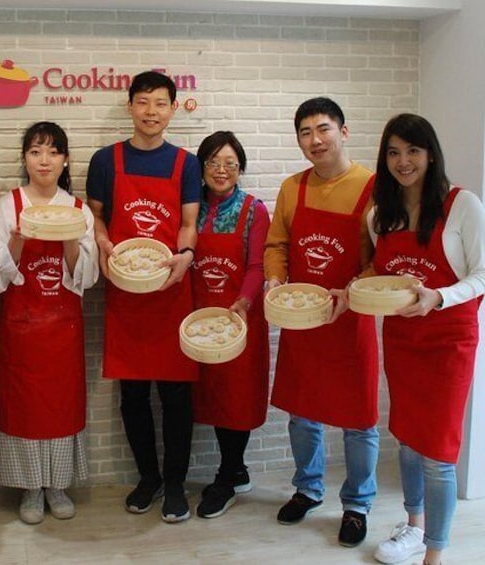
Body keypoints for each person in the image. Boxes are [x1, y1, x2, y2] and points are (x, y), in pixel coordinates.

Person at [366, 114, 485, 565]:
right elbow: (379, 279)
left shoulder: (463, 205)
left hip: (448, 341)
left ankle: (434, 554)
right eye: (393, 152)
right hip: (402, 340)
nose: (403, 161)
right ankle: (413, 527)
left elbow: (482, 274)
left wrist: (439, 296)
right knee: (408, 439)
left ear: (430, 154)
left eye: (412, 150)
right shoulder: (382, 215)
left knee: (438, 451)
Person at [86, 71, 201, 523]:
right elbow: (95, 218)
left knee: (176, 396)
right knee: (132, 395)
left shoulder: (185, 164)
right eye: (143, 102)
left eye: (160, 103)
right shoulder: (105, 160)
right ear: (130, 106)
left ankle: (175, 484)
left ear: (173, 109)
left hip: (172, 290)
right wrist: (102, 243)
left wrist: (186, 254)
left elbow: (188, 222)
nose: (151, 112)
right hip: (126, 292)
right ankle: (148, 477)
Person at [264, 97, 379, 547]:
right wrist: (275, 279)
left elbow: (382, 259)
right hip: (302, 319)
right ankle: (308, 489)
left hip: (352, 319)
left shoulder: (373, 187)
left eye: (324, 129)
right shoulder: (293, 187)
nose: (316, 140)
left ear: (344, 132)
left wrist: (352, 292)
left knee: (359, 420)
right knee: (303, 412)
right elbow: (277, 244)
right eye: (306, 132)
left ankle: (357, 504)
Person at [0, 121, 98, 525]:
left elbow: (86, 277)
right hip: (20, 327)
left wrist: (69, 235)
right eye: (35, 151)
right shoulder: (5, 207)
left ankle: (58, 485)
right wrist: (17, 237)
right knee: (25, 409)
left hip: (63, 330)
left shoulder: (78, 209)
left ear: (65, 159)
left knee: (61, 408)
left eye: (52, 151)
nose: (44, 160)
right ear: (25, 159)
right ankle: (31, 489)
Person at [189, 131, 270, 519]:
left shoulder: (254, 211)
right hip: (200, 320)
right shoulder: (192, 208)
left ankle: (227, 476)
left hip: (239, 317)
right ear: (201, 168)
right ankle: (236, 471)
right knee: (210, 394)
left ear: (241, 169)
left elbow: (257, 266)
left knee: (236, 397)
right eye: (213, 163)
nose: (221, 171)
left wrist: (243, 302)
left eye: (230, 164)